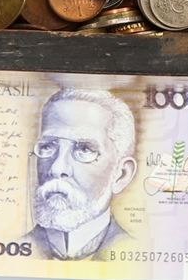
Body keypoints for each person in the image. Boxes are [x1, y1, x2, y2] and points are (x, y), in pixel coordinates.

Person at [26, 88, 137, 260]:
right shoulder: (12, 251)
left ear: (121, 174)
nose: (57, 168)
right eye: (48, 147)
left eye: (84, 149)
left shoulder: (135, 255)